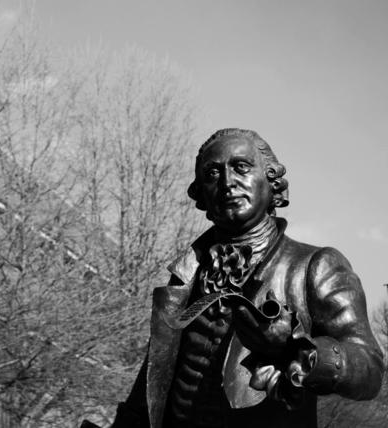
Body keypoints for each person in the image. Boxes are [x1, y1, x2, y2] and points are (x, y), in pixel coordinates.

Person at [109, 128, 383, 428]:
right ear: (201, 193)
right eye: (213, 173)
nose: (227, 182)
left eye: (241, 167)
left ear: (271, 180)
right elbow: (151, 385)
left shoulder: (316, 266)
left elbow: (369, 367)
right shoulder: (185, 276)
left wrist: (297, 349)